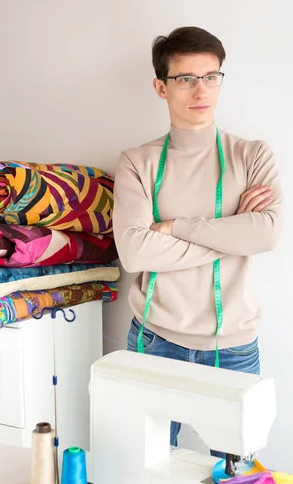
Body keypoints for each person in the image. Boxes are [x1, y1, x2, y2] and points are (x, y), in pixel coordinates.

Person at [113, 26, 283, 448]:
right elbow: (135, 252)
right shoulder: (138, 163)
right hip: (156, 340)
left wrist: (176, 228)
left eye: (211, 77)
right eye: (186, 79)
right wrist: (233, 230)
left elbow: (268, 233)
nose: (201, 90)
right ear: (161, 86)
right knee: (142, 470)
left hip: (235, 347)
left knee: (236, 481)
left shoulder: (253, 155)